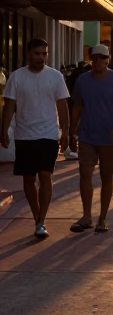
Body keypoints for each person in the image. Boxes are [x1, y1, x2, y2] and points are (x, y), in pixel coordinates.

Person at [0, 37, 69, 240]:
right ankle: (37, 216)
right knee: (28, 179)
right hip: (24, 135)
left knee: (45, 175)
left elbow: (62, 106)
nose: (41, 57)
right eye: (37, 53)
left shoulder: (55, 76)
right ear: (28, 54)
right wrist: (3, 130)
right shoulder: (17, 77)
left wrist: (66, 132)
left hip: (48, 134)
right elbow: (10, 106)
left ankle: (41, 221)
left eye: (44, 53)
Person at [68, 45, 113, 233]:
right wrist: (71, 131)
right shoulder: (82, 80)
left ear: (107, 60)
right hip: (87, 135)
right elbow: (77, 107)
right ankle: (86, 216)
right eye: (94, 58)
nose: (97, 62)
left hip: (109, 137)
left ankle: (102, 218)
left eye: (101, 58)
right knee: (85, 174)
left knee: (106, 176)